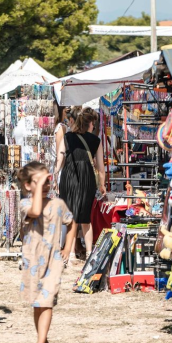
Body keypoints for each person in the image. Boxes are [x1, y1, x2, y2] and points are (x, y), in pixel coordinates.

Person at [17, 161, 74, 343]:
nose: (45, 185)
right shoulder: (25, 204)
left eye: (47, 181)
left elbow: (71, 222)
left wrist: (67, 248)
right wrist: (38, 187)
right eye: (39, 182)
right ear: (27, 185)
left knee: (47, 301)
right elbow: (35, 212)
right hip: (33, 260)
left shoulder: (58, 204)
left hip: (53, 259)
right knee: (37, 303)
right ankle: (43, 340)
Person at [57, 107, 106, 260]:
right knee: (86, 217)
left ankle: (70, 253)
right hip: (87, 177)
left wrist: (55, 173)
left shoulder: (67, 137)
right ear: (90, 123)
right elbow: (101, 167)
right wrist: (102, 185)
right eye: (93, 123)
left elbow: (60, 159)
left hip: (68, 176)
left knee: (71, 215)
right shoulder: (96, 141)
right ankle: (89, 252)